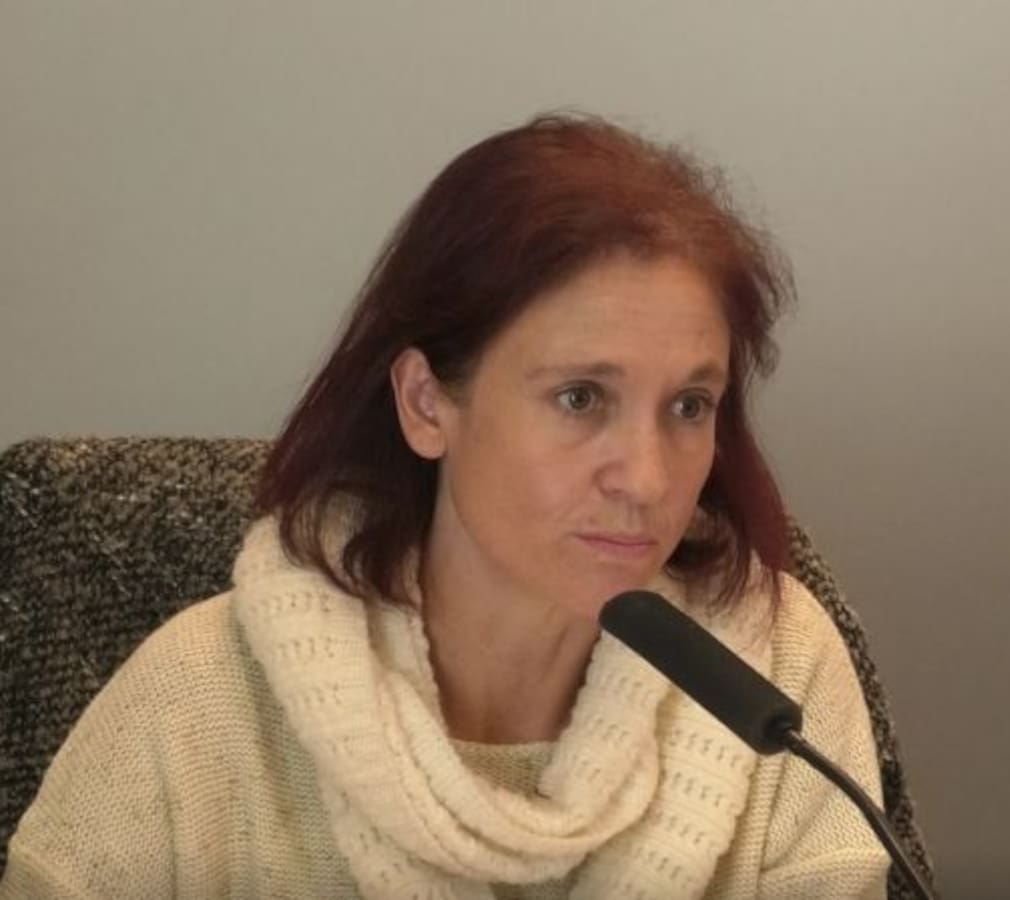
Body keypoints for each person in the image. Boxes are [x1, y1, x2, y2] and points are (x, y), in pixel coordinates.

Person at [0, 113, 890, 899]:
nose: (649, 480)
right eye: (581, 398)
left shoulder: (777, 672)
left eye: (690, 406)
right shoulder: (195, 701)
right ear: (427, 404)